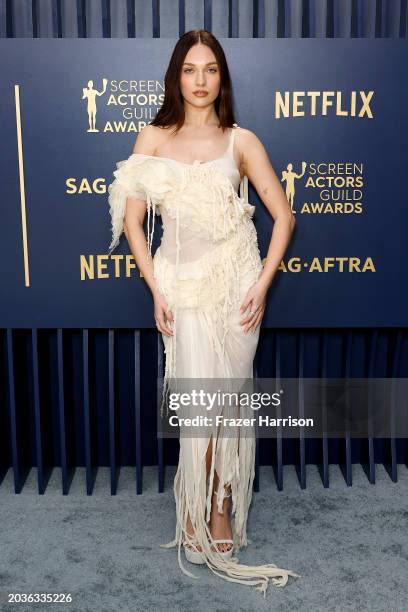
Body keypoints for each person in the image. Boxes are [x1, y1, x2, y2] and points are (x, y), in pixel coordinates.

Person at [107, 29, 299, 596]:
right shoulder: (153, 139)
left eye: (210, 69)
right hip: (182, 289)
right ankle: (196, 508)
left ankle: (220, 504)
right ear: (176, 76)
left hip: (237, 288)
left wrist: (262, 285)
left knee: (228, 401)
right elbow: (135, 222)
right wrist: (156, 288)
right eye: (190, 69)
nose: (199, 80)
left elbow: (282, 217)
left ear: (222, 78)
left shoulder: (243, 141)